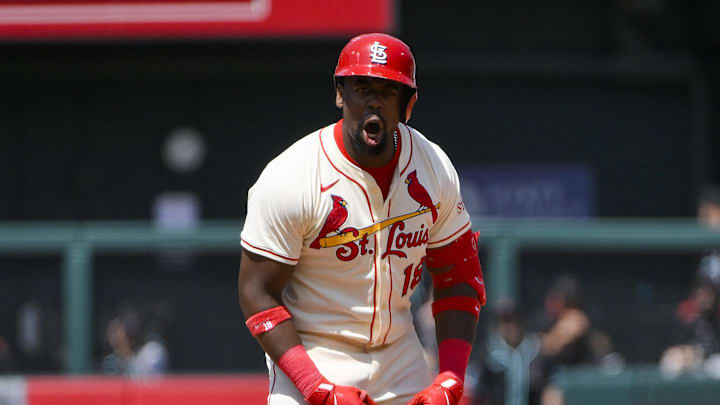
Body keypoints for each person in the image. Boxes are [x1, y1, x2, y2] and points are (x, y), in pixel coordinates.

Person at [238, 33, 487, 405]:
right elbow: (256, 293)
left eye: (388, 90)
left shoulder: (433, 167)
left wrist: (450, 378)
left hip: (400, 353)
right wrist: (316, 388)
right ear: (340, 94)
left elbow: (459, 280)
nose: (373, 100)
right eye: (361, 87)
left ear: (408, 103)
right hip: (315, 353)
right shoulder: (291, 176)